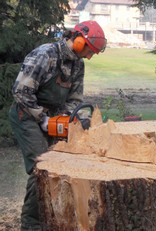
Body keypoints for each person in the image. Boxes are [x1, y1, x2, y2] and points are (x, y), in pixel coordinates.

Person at [9, 20, 107, 230]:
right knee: (42, 168)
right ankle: (31, 225)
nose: (89, 56)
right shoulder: (45, 55)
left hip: (52, 117)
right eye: (89, 50)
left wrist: (67, 118)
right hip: (26, 113)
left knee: (62, 163)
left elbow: (74, 99)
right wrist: (41, 117)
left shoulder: (78, 65)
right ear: (79, 40)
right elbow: (20, 91)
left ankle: (54, 218)